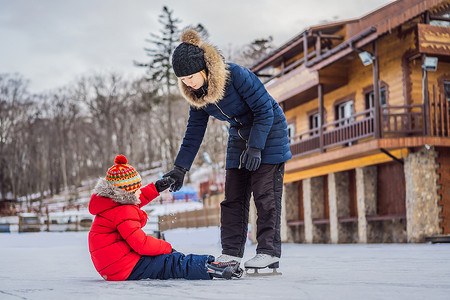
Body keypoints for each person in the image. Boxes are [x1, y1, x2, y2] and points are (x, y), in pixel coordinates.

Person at [164, 29, 292, 270]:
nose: (189, 82)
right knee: (233, 196)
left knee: (265, 194)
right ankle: (231, 253)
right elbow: (193, 133)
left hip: (270, 128)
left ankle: (269, 251)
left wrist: (256, 148)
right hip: (240, 133)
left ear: (204, 68)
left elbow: (265, 110)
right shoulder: (198, 98)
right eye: (183, 80)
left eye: (192, 76)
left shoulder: (236, 75)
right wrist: (179, 168)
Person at [88, 154, 241, 280]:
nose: (140, 192)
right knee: (171, 262)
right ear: (126, 193)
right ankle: (211, 267)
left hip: (112, 266)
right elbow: (141, 244)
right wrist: (167, 248)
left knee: (168, 260)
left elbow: (135, 202)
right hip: (125, 266)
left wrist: (156, 187)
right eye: (137, 189)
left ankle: (210, 266)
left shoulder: (110, 205)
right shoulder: (124, 211)